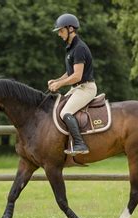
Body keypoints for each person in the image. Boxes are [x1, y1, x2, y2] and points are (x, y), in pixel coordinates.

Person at [48, 13, 97, 156]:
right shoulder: (71, 48)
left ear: (71, 29)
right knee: (57, 108)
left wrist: (60, 85)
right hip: (76, 88)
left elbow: (77, 76)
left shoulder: (80, 48)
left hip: (85, 88)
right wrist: (57, 80)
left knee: (65, 112)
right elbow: (70, 72)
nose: (59, 34)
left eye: (61, 31)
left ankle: (80, 144)